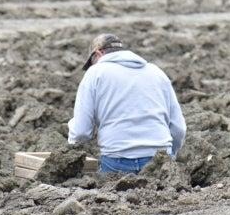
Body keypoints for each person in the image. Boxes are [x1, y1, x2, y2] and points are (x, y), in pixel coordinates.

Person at [68, 34, 187, 174]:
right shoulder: (157, 72)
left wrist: (70, 152)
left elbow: (81, 132)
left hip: (117, 161)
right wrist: (170, 155)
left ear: (99, 53)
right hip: (160, 160)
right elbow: (179, 129)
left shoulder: (95, 73)